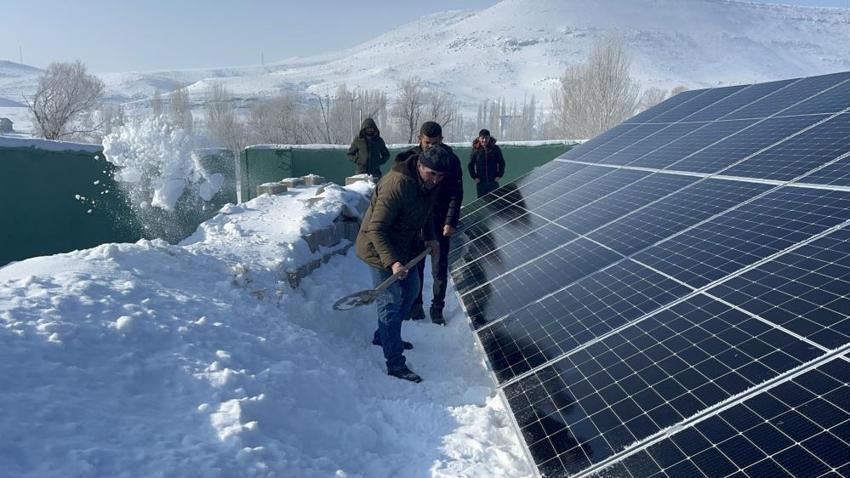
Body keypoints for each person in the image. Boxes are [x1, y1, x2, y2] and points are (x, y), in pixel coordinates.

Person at [355, 146, 450, 383]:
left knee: (411, 291)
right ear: (419, 166)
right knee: (390, 301)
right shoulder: (396, 185)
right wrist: (394, 262)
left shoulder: (428, 184)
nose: (436, 179)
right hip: (378, 249)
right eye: (431, 173)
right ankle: (395, 363)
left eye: (440, 175)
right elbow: (376, 229)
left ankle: (384, 337)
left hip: (402, 246)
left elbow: (426, 213)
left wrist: (430, 237)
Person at [395, 121, 463, 325]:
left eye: (435, 142)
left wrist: (450, 221)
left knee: (439, 267)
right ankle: (416, 305)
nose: (431, 146)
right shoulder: (410, 159)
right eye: (427, 142)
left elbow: (455, 194)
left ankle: (437, 307)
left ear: (441, 140)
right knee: (415, 265)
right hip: (416, 222)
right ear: (419, 140)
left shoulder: (450, 161)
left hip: (440, 220)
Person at [468, 129, 505, 198]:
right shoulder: (475, 150)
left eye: (486, 138)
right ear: (479, 138)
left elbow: (501, 163)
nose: (484, 140)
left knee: (494, 203)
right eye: (482, 138)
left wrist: (499, 175)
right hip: (481, 183)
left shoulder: (495, 149)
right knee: (482, 203)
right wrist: (475, 177)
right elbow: (470, 165)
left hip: (493, 182)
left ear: (489, 138)